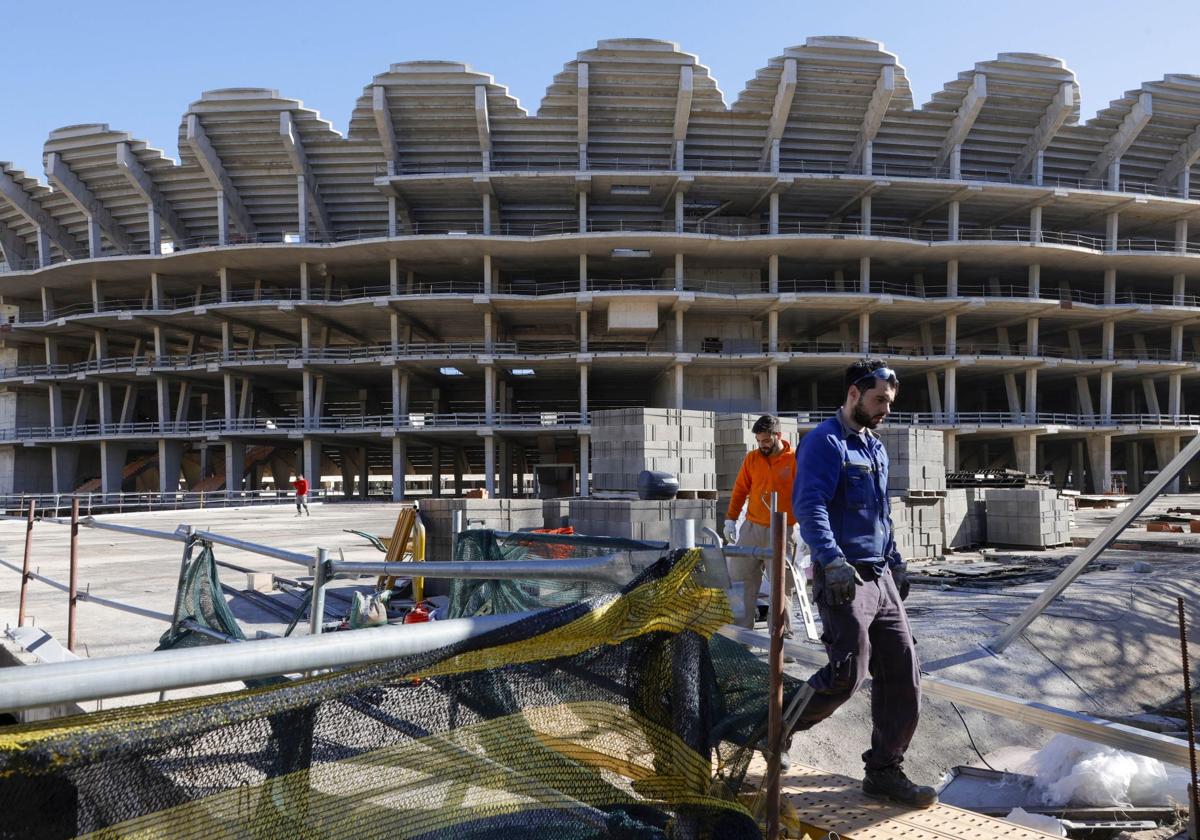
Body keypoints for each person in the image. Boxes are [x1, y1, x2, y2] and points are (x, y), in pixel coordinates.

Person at [791, 359, 936, 808]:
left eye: (889, 402)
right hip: (844, 577)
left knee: (903, 673)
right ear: (854, 394)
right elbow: (809, 506)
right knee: (846, 674)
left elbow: (881, 515)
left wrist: (897, 563)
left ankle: (884, 769)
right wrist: (831, 561)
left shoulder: (875, 447)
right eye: (878, 400)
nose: (885, 410)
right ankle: (773, 726)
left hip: (880, 575)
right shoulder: (823, 443)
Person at [723, 414, 797, 635]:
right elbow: (739, 490)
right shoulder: (752, 459)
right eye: (758, 441)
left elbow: (807, 495)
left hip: (783, 530)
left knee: (781, 587)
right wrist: (730, 520)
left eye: (766, 441)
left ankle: (782, 641)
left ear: (778, 436)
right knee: (740, 582)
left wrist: (807, 530)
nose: (762, 445)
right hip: (752, 528)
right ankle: (740, 637)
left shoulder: (795, 460)